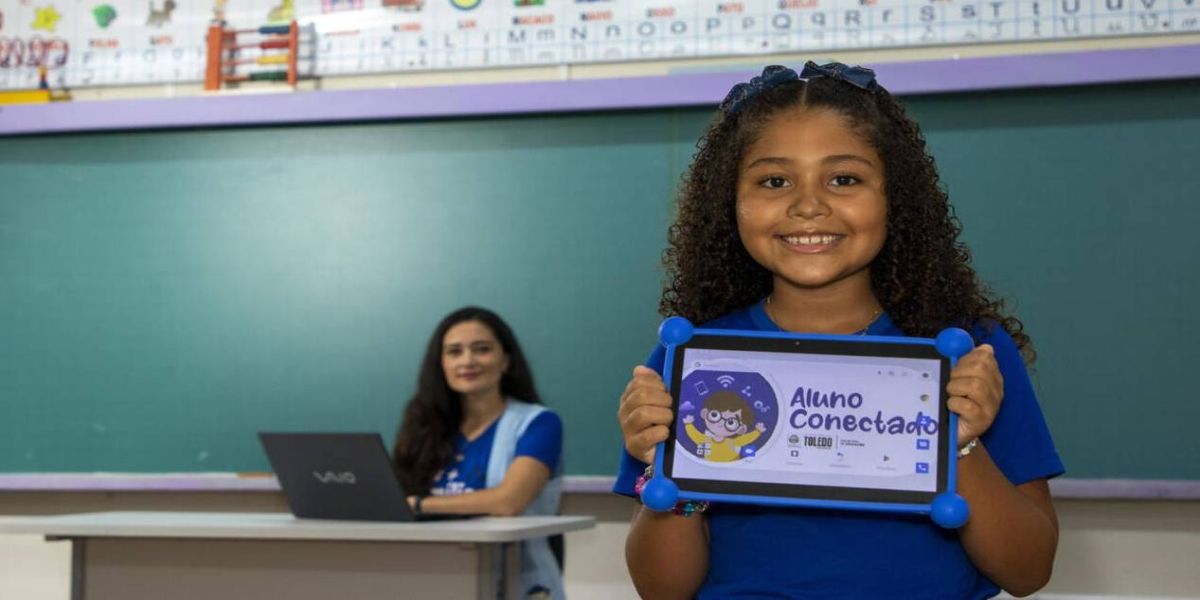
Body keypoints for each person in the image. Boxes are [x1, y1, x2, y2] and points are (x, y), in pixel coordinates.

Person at [615, 62, 1064, 599]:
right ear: (729, 202)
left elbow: (1028, 570)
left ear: (894, 196)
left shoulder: (969, 353)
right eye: (774, 181)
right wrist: (670, 467)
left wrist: (959, 444)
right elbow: (662, 591)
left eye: (844, 178)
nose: (808, 205)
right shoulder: (695, 357)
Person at [394, 306, 564, 600]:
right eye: (454, 352)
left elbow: (507, 502)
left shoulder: (538, 423)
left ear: (506, 360)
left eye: (482, 349)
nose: (467, 361)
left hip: (517, 582)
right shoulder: (423, 426)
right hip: (433, 578)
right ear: (441, 364)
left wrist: (421, 505)